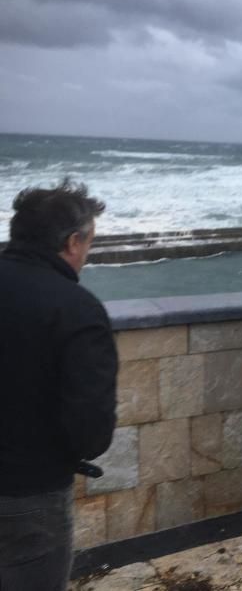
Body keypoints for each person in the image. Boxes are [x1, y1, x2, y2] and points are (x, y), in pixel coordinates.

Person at [0, 181, 118, 591]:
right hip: (31, 495)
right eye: (89, 243)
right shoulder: (76, 308)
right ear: (72, 242)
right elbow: (91, 429)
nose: (86, 255)